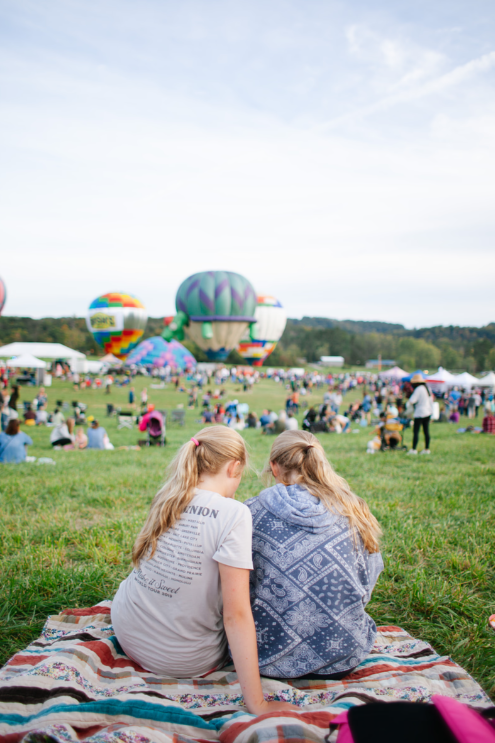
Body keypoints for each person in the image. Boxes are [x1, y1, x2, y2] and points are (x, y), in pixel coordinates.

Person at [111, 427, 295, 716]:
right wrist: (257, 703)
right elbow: (236, 615)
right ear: (234, 467)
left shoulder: (168, 494)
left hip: (126, 631)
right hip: (184, 660)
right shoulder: (234, 513)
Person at [245, 430, 383, 679]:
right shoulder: (353, 509)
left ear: (274, 467)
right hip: (343, 654)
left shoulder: (250, 513)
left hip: (265, 656)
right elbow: (368, 579)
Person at [407, 374, 433, 455]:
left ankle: (414, 449)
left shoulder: (418, 389)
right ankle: (426, 449)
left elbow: (412, 400)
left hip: (419, 413)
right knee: (426, 432)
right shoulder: (427, 388)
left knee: (416, 432)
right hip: (427, 412)